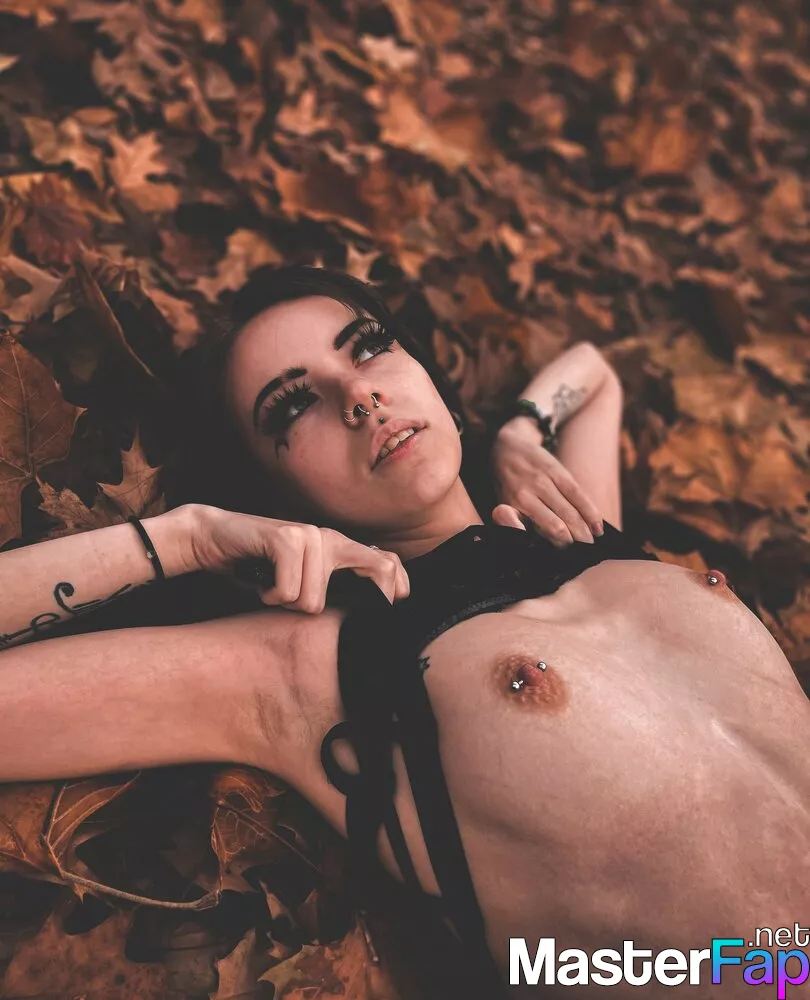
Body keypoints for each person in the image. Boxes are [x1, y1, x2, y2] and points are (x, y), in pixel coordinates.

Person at [2, 266, 808, 998]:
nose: (359, 395)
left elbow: (594, 374)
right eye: (293, 406)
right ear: (275, 496)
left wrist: (520, 432)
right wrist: (187, 539)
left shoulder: (576, 526)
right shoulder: (315, 664)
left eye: (370, 348)